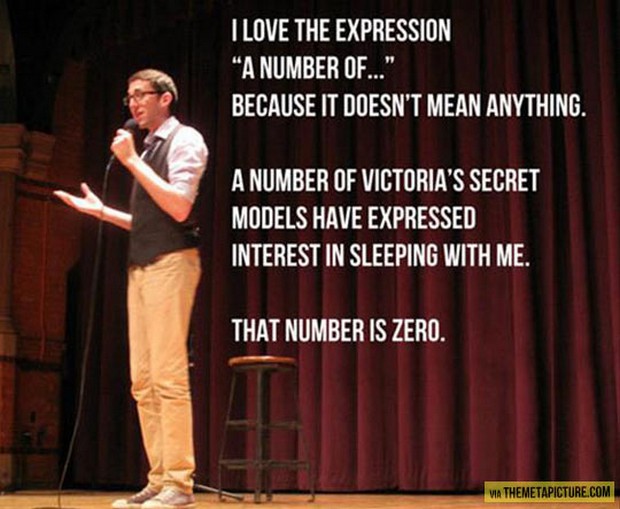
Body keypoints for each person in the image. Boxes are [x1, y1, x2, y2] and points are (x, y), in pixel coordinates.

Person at [55, 69, 208, 509]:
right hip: (142, 267)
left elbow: (180, 207)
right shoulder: (149, 148)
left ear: (166, 98)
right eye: (129, 97)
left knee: (167, 377)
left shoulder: (185, 140)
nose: (134, 104)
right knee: (142, 381)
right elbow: (147, 219)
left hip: (172, 263)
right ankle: (158, 479)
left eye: (141, 95)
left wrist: (132, 162)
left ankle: (179, 483)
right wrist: (102, 212)